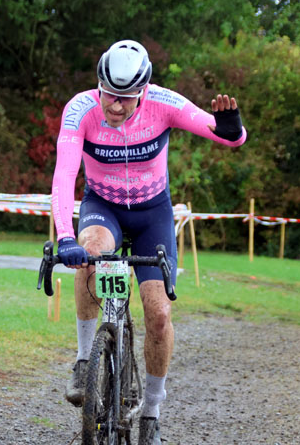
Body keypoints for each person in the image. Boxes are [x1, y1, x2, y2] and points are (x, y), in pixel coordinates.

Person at [51, 40, 247, 445]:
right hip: (102, 206)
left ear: (143, 91)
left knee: (159, 316)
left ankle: (152, 412)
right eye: (109, 94)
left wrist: (233, 130)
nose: (116, 106)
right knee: (88, 253)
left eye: (126, 98)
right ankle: (86, 360)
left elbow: (223, 135)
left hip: (152, 214)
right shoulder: (80, 110)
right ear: (98, 84)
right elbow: (64, 175)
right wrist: (66, 237)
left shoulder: (164, 103)